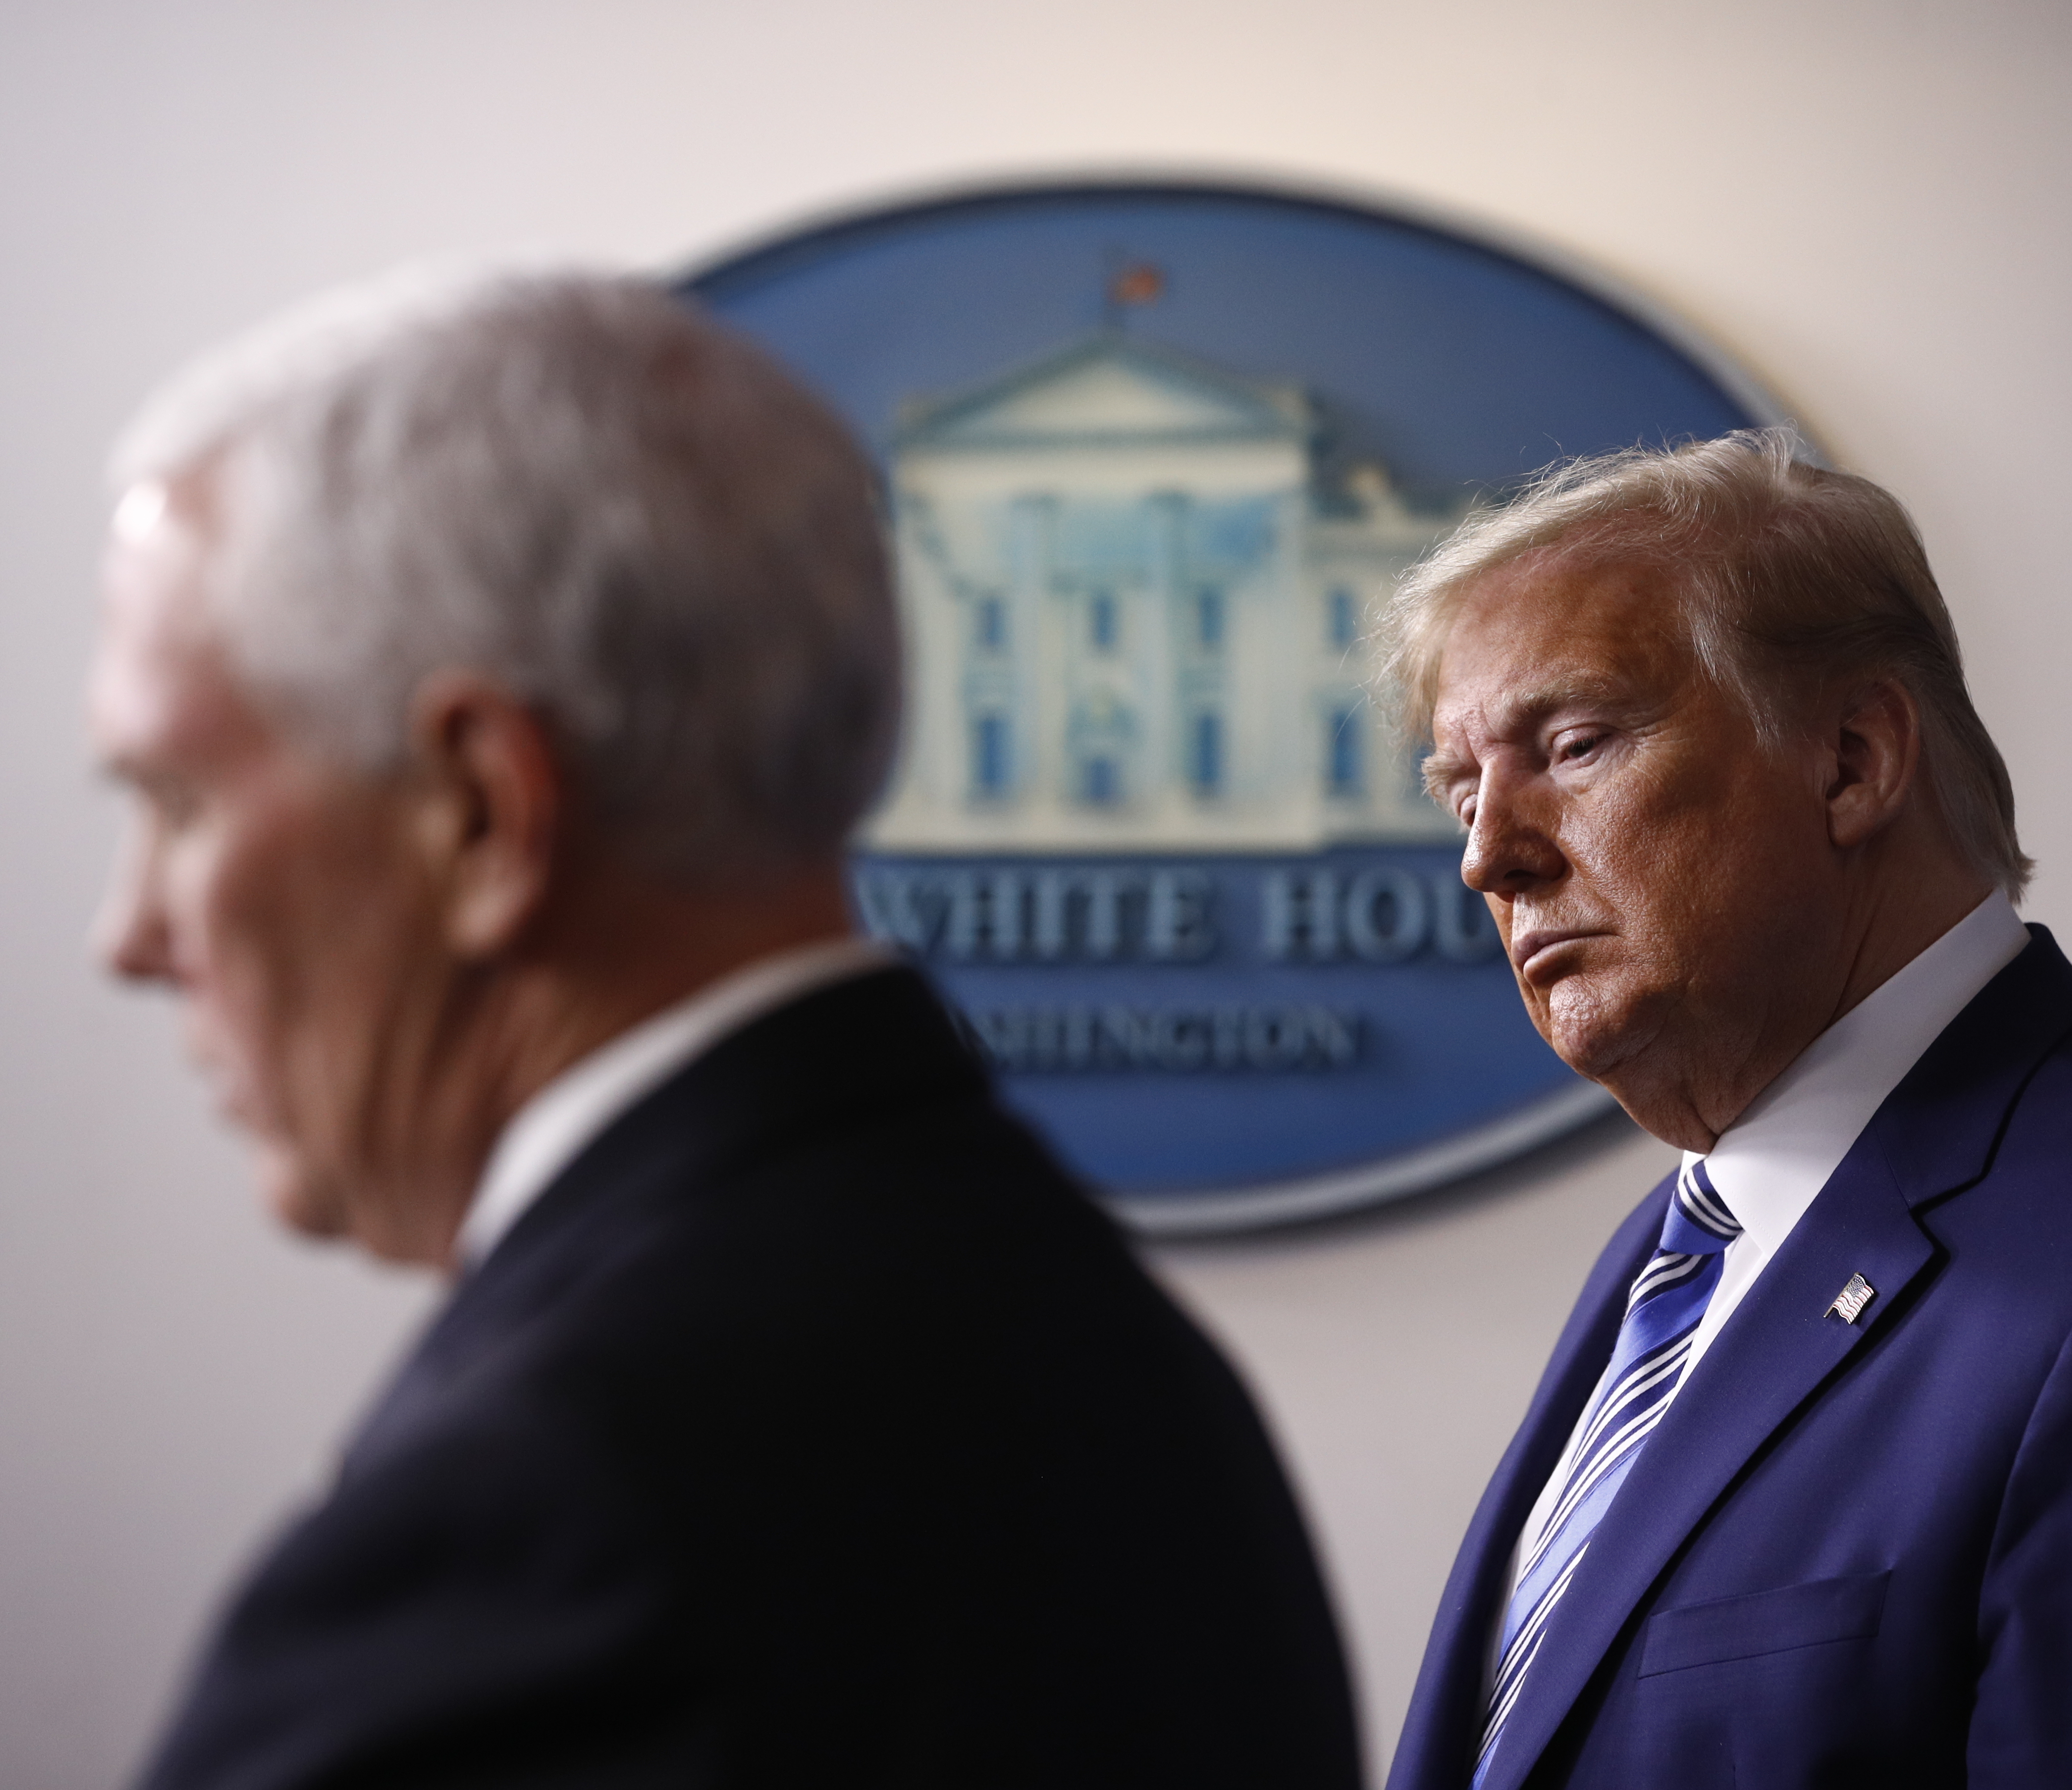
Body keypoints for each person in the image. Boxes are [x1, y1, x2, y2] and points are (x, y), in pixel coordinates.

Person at [89, 265, 1358, 1790]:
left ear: (480, 813)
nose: (131, 939)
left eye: (177, 803)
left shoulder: (550, 1511)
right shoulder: (1111, 1363)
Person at [1377, 430, 2072, 1790]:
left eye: (1572, 744)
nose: (1489, 854)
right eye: (1461, 789)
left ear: (1853, 761)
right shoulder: (1681, 1251)